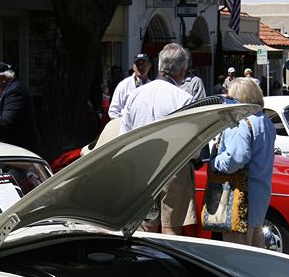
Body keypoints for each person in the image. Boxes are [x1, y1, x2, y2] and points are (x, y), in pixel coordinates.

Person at [119, 42, 195, 235]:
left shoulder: (134, 96)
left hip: (142, 168)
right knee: (171, 226)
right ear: (182, 70)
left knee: (149, 224)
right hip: (173, 166)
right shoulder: (183, 98)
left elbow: (124, 138)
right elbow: (193, 145)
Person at [208, 78, 277, 248]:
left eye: (230, 97)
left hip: (238, 199)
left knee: (237, 254)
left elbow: (236, 159)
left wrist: (214, 162)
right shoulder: (265, 121)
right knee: (255, 250)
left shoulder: (241, 122)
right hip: (260, 195)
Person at [0, 62, 41, 155]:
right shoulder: (9, 90)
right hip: (13, 148)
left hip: (19, 149)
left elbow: (7, 121)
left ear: (3, 78)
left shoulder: (14, 91)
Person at [107, 53, 152, 119]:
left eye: (143, 64)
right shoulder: (124, 85)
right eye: (138, 64)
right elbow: (113, 111)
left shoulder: (152, 85)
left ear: (149, 67)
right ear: (134, 67)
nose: (140, 67)